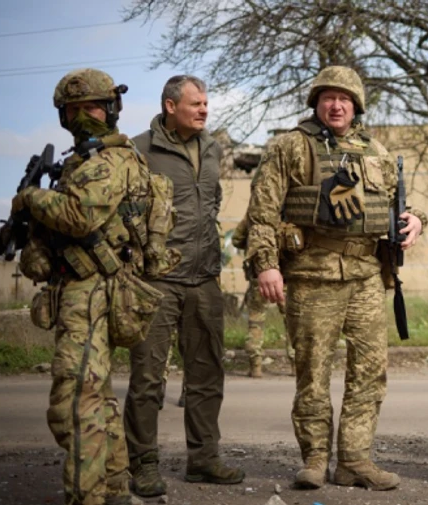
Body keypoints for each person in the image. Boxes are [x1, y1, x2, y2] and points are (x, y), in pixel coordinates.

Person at [246, 65, 426, 491]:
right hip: (310, 277)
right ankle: (314, 459)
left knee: (369, 372)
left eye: (344, 98)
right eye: (328, 96)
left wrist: (415, 220)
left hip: (365, 277)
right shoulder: (289, 147)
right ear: (316, 102)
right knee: (312, 373)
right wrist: (266, 264)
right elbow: (262, 213)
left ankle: (354, 460)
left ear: (357, 105)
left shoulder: (376, 151)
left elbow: (401, 206)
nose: (336, 103)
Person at [13, 68, 158, 505]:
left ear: (111, 109)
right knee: (95, 396)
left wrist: (30, 198)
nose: (82, 117)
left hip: (95, 290)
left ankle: (88, 497)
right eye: (73, 110)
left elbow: (80, 217)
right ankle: (114, 489)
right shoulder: (81, 162)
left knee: (74, 403)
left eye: (91, 107)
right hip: (80, 290)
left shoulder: (112, 159)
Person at [124, 74, 244, 498]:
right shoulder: (139, 150)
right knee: (148, 379)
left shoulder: (212, 148)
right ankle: (144, 464)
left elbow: (209, 206)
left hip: (204, 278)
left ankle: (204, 459)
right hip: (155, 281)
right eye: (196, 104)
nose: (204, 110)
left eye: (206, 103)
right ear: (170, 106)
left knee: (208, 374)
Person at [232, 216, 293, 378]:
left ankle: (255, 366)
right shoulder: (289, 214)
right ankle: (295, 365)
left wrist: (251, 243)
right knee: (292, 322)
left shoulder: (255, 217)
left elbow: (236, 239)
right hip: (285, 279)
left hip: (259, 278)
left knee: (255, 323)